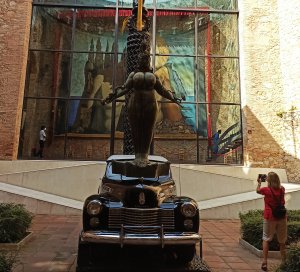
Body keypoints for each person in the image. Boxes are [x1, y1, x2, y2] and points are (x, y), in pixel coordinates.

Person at [256, 172, 287, 271]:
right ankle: (284, 262)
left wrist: (259, 183)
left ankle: (265, 262)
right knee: (282, 241)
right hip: (282, 217)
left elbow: (257, 191)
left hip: (270, 217)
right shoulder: (282, 189)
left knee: (266, 239)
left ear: (269, 180)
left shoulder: (266, 190)